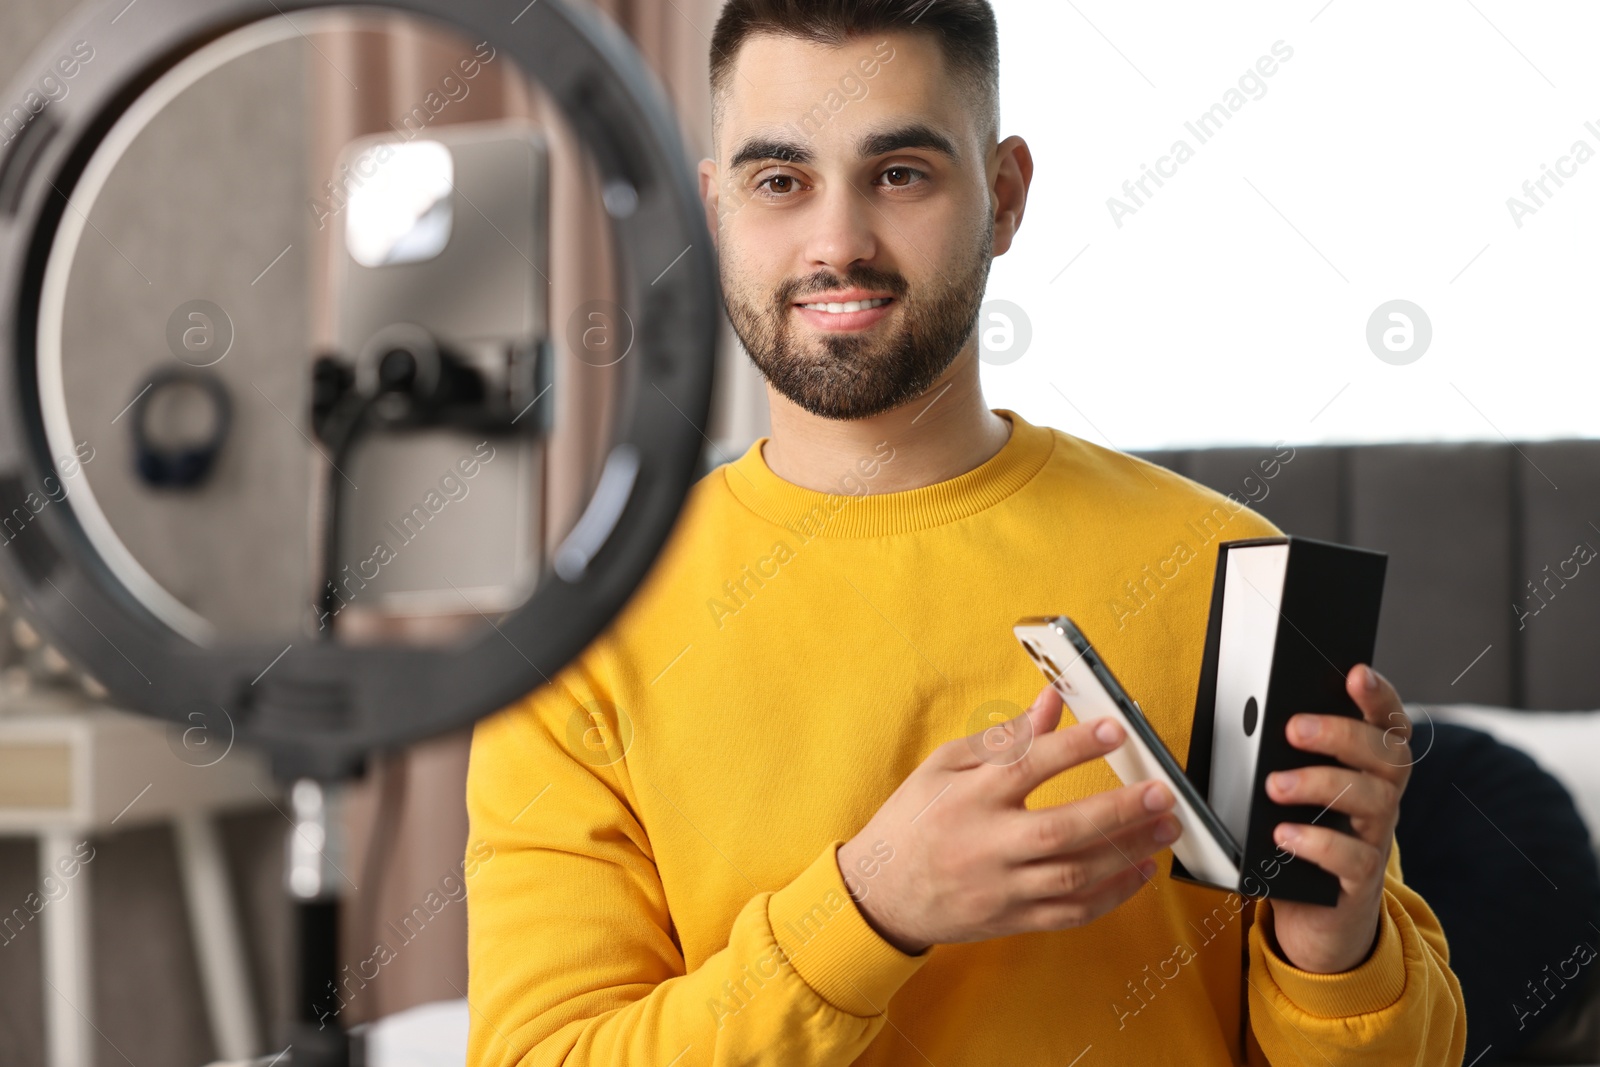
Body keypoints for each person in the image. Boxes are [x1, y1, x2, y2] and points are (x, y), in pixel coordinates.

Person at [463, 1, 1466, 1063]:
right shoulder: (582, 631)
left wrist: (1332, 952)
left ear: (1004, 194)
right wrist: (870, 908)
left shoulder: (1231, 569)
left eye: (899, 172)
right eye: (779, 181)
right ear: (715, 209)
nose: (837, 241)